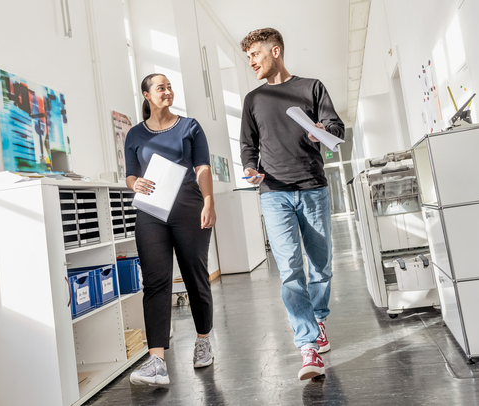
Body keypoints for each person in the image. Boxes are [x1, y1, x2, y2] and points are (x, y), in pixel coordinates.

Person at [239, 28, 345, 381]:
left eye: (255, 54)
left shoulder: (311, 87)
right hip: (274, 193)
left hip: (313, 187)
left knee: (321, 265)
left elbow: (336, 127)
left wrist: (321, 130)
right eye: (248, 57)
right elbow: (247, 146)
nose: (251, 62)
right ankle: (308, 346)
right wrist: (251, 169)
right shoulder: (253, 100)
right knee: (290, 271)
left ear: (276, 51)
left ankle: (318, 319)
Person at [125, 73, 216, 385]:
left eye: (170, 86)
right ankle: (156, 362)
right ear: (147, 95)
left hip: (189, 206)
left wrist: (209, 201)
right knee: (155, 283)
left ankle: (203, 340)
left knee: (195, 275)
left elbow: (202, 167)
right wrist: (133, 182)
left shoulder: (189, 127)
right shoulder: (135, 135)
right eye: (160, 87)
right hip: (151, 210)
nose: (168, 91)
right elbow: (130, 175)